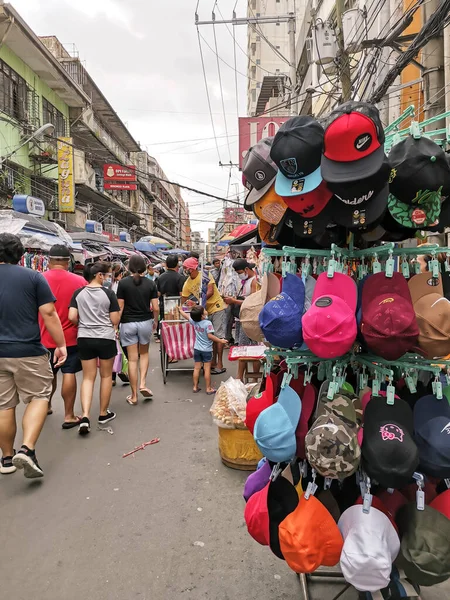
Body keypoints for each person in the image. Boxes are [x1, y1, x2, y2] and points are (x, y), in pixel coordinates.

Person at [0, 233, 67, 478]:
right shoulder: (33, 277)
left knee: (4, 405)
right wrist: (60, 344)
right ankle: (27, 449)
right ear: (20, 255)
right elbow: (49, 313)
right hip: (28, 349)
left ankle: (6, 459)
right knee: (40, 395)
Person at [68, 262, 120, 435]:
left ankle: (84, 416)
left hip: (84, 337)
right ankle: (103, 414)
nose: (106, 278)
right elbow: (114, 319)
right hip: (105, 337)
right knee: (106, 376)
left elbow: (72, 316)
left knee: (88, 378)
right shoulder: (108, 293)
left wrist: (83, 323)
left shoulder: (78, 293)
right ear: (99, 275)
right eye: (105, 275)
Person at [40, 244, 86, 428]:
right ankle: (68, 415)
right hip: (70, 337)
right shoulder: (80, 281)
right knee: (69, 372)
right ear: (68, 262)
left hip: (44, 337)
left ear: (49, 261)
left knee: (48, 373)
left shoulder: (38, 279)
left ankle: (46, 406)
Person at [117, 255, 159, 405]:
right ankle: (142, 384)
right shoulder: (150, 284)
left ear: (128, 267)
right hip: (145, 323)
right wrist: (155, 321)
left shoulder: (122, 283)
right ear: (144, 267)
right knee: (145, 353)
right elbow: (155, 307)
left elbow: (120, 307)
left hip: (128, 323)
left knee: (132, 359)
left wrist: (115, 326)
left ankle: (134, 395)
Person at [180, 257, 228, 375]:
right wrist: (183, 307)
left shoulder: (205, 275)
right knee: (210, 337)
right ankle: (212, 362)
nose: (184, 270)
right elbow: (184, 298)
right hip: (204, 311)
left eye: (186, 268)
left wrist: (196, 303)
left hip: (217, 307)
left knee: (218, 336)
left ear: (192, 269)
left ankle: (220, 364)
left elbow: (210, 292)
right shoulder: (187, 283)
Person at [224, 259, 260, 381]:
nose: (239, 275)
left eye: (239, 272)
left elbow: (254, 302)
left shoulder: (254, 281)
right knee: (242, 349)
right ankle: (240, 377)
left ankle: (254, 379)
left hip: (250, 320)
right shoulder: (245, 281)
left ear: (246, 269)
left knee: (254, 349)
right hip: (241, 319)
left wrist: (234, 301)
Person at [179, 305, 227, 394]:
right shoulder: (207, 323)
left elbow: (186, 316)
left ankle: (195, 387)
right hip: (207, 350)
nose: (206, 310)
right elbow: (210, 336)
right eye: (204, 310)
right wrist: (220, 340)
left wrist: (180, 310)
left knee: (196, 368)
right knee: (207, 369)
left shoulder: (194, 322)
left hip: (197, 349)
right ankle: (208, 388)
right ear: (202, 315)